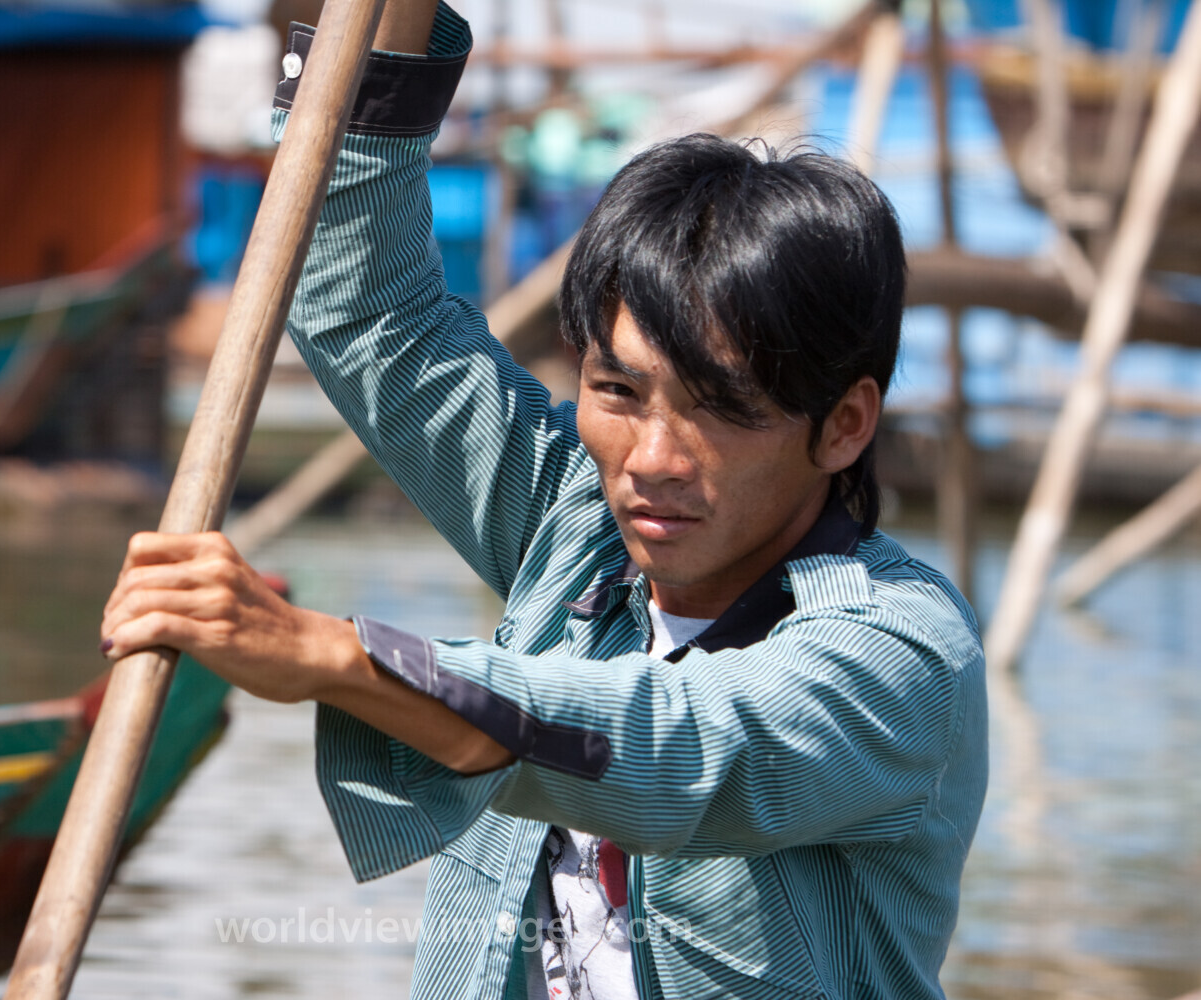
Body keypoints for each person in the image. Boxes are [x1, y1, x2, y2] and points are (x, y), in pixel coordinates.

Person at [100, 2, 988, 998]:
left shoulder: (898, 658)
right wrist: (386, 19)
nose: (650, 460)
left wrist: (334, 658)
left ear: (845, 424)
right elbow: (363, 312)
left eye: (721, 410)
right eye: (618, 392)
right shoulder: (578, 526)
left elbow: (673, 742)